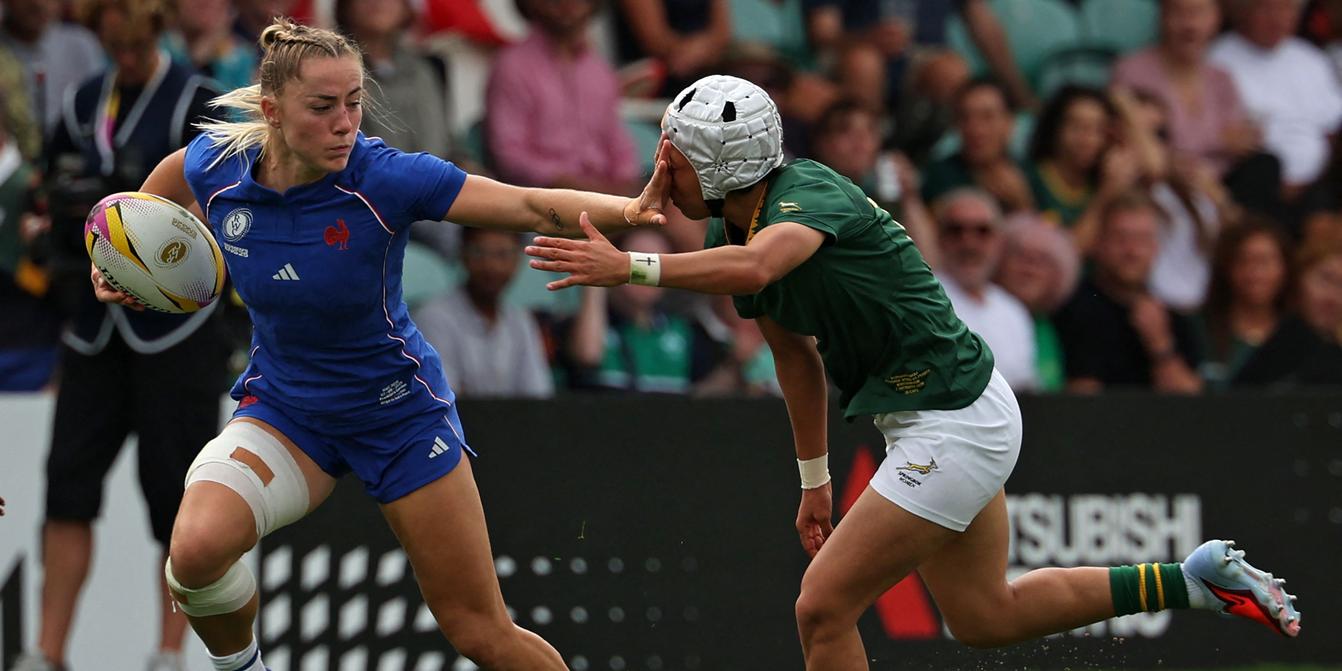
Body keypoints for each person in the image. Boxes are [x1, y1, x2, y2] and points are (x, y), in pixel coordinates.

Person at [526, 74, 1301, 670]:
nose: (660, 165)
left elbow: (764, 262)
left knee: (821, 609)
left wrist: (631, 266)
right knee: (983, 615)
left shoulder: (804, 196)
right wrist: (815, 478)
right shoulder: (736, 222)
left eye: (672, 154)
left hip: (955, 420)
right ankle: (1194, 580)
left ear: (717, 165)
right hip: (944, 416)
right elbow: (793, 354)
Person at [89, 18, 667, 671]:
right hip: (288, 413)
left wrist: (631, 210)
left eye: (355, 102)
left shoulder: (385, 178)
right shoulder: (216, 165)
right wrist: (125, 255)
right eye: (324, 106)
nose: (347, 123)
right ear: (273, 111)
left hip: (398, 417)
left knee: (480, 631)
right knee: (192, 553)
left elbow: (528, 205)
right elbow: (160, 193)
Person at [13, 1, 230, 670]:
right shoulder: (81, 102)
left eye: (139, 48)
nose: (129, 61)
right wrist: (43, 224)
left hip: (179, 330)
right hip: (91, 323)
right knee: (66, 488)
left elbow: (230, 209)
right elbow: (47, 191)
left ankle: (168, 655)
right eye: (118, 49)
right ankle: (47, 652)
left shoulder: (202, 104)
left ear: (160, 33)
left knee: (176, 498)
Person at [1053, 191, 1204, 393]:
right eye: (1121, 238)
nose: (1132, 250)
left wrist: (1161, 346)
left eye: (1142, 239)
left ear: (1155, 247)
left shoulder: (1173, 317)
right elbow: (1081, 400)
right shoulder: (1071, 308)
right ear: (1099, 243)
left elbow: (1196, 406)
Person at [412, 227, 554, 398]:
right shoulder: (433, 318)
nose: (491, 266)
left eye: (502, 254)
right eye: (479, 253)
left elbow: (538, 398)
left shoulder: (520, 321)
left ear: (518, 260)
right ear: (462, 254)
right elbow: (445, 401)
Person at [930, 188, 1038, 391]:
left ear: (1000, 241)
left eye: (982, 231)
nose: (969, 242)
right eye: (956, 230)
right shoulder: (922, 299)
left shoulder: (1014, 311)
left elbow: (1027, 387)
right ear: (939, 238)